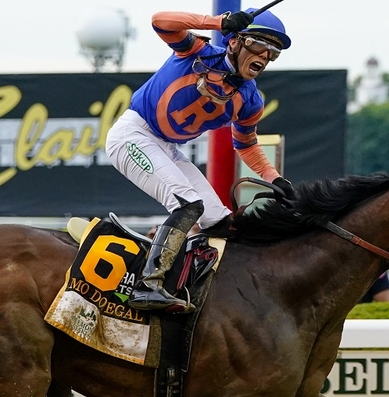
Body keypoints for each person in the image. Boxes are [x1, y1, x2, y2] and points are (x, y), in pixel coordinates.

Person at [105, 8, 294, 311]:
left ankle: (197, 287)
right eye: (260, 45)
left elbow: (246, 145)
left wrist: (275, 178)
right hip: (132, 135)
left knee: (220, 222)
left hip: (168, 147)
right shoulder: (197, 52)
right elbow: (159, 21)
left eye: (273, 52)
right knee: (188, 205)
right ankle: (146, 286)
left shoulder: (251, 100)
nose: (265, 56)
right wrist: (219, 22)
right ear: (235, 41)